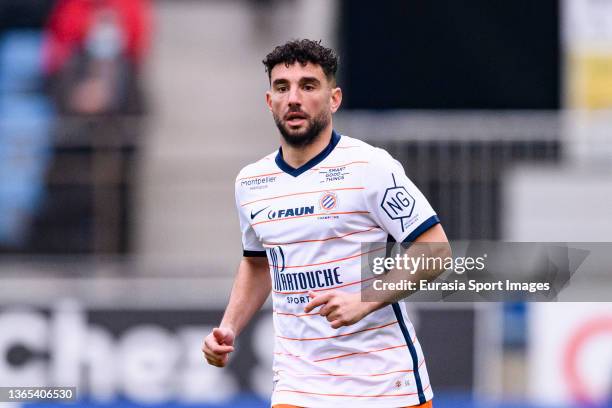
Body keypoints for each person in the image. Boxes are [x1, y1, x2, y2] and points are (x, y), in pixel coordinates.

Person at [202, 39, 449, 408]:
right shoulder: (251, 182)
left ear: (334, 99)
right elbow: (258, 263)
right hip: (298, 387)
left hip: (384, 387)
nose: (294, 98)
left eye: (308, 86)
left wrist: (364, 301)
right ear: (270, 102)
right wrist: (229, 327)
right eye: (282, 88)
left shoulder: (370, 167)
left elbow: (435, 250)